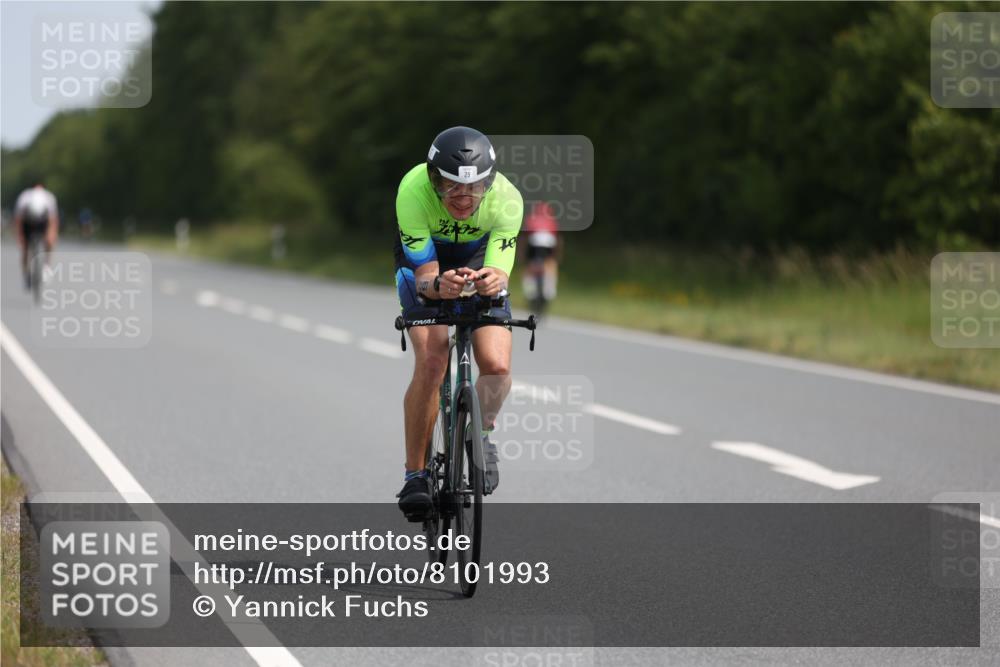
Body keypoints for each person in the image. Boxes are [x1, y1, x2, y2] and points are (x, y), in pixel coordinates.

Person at [394, 126, 523, 517]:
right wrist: (437, 285)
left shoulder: (508, 200)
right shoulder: (412, 191)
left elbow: (500, 271)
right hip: (428, 266)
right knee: (433, 361)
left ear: (489, 182)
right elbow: (423, 276)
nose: (463, 198)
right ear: (433, 180)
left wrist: (494, 278)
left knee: (497, 366)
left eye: (474, 188)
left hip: (478, 258)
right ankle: (415, 474)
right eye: (450, 187)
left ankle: (480, 434)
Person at [13, 182, 59, 289]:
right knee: (25, 248)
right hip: (27, 222)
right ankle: (25, 274)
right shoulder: (24, 198)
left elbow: (53, 221)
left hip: (43, 221)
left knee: (50, 242)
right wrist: (20, 236)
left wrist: (51, 235)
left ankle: (46, 267)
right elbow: (18, 220)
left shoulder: (49, 199)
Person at [519, 201, 561, 317]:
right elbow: (558, 241)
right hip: (548, 248)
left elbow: (524, 239)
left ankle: (529, 291)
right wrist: (557, 257)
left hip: (533, 248)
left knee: (529, 269)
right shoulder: (552, 221)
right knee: (551, 266)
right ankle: (549, 291)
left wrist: (522, 255)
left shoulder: (531, 219)